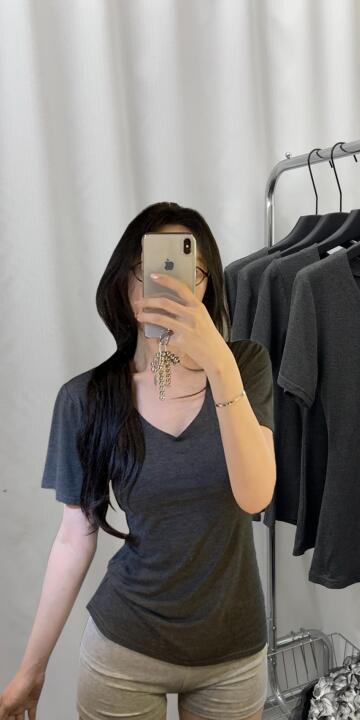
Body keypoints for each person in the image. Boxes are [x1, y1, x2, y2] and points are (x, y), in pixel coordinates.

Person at [0, 201, 276, 720]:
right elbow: (74, 536)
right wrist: (31, 670)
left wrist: (218, 362)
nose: (166, 284)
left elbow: (255, 496)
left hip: (233, 654)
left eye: (188, 269)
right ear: (125, 284)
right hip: (125, 647)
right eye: (150, 269)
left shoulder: (245, 367)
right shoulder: (87, 398)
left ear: (208, 284)